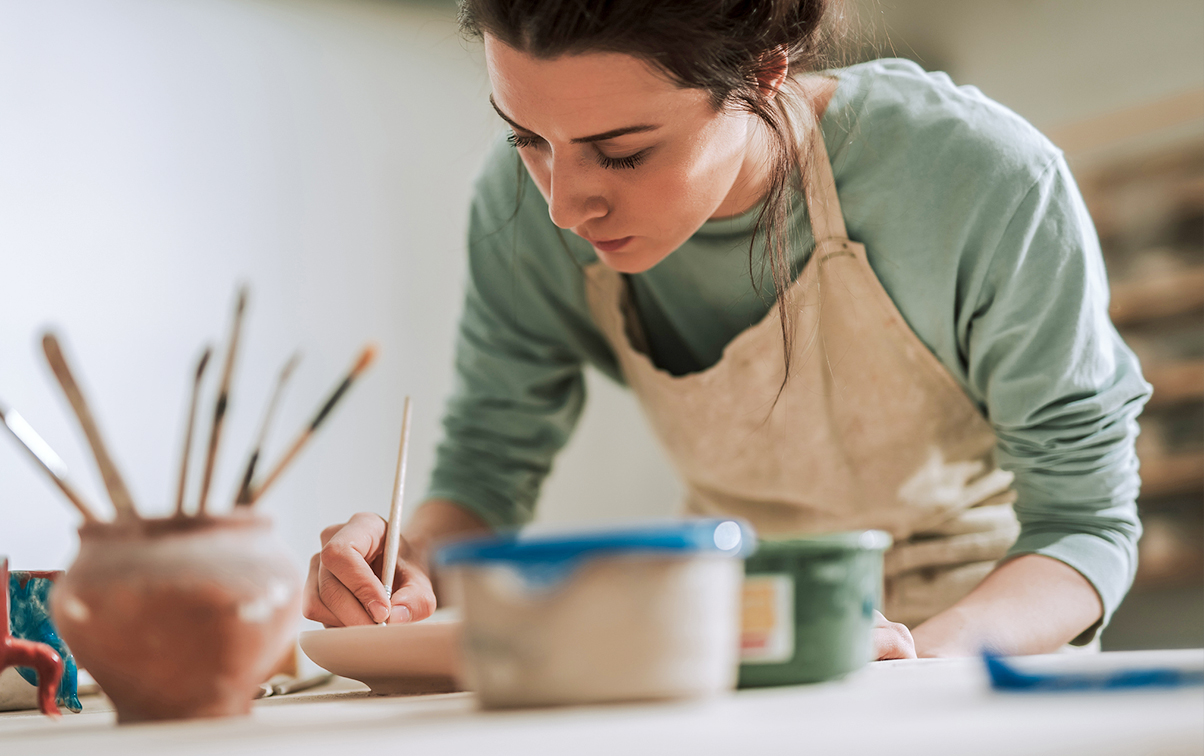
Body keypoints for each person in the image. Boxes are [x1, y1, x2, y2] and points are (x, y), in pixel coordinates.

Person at [302, 0, 1149, 659]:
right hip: (735, 644)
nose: (564, 203)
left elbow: (1086, 527)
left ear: (765, 69)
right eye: (527, 136)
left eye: (623, 152)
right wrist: (406, 567)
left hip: (981, 647)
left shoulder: (979, 182)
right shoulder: (522, 209)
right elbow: (486, 469)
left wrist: (921, 657)